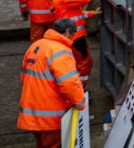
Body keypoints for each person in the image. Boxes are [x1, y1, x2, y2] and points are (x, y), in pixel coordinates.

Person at [17, 18, 86, 148]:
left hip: (32, 112)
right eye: (72, 35)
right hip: (50, 116)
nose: (72, 39)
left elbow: (24, 77)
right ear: (66, 32)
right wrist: (81, 103)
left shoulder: (36, 46)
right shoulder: (61, 52)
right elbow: (69, 84)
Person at [51, 0, 100, 83]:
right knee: (85, 62)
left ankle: (76, 87)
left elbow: (75, 14)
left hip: (73, 36)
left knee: (78, 62)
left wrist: (91, 13)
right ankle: (79, 89)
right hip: (75, 37)